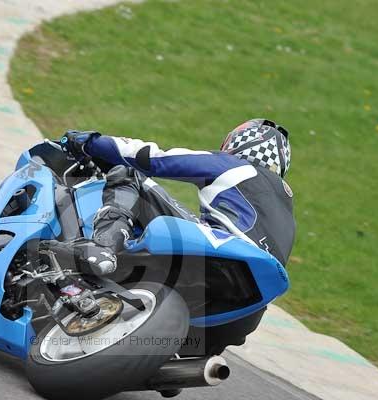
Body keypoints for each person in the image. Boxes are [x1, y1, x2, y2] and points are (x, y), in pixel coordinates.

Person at [56, 119, 296, 354]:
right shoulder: (287, 209)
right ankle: (163, 361)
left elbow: (153, 158)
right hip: (244, 313)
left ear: (240, 143)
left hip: (221, 252)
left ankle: (103, 248)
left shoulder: (237, 167)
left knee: (130, 173)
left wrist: (89, 142)